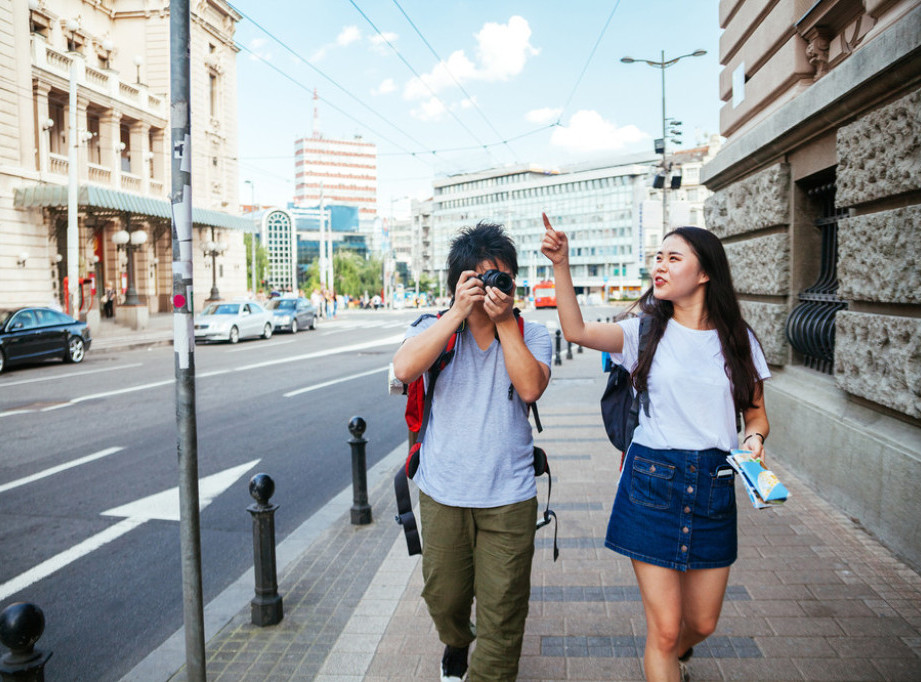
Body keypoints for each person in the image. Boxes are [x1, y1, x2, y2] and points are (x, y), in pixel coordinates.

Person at [541, 214, 770, 682]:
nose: (659, 266)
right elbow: (577, 331)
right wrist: (561, 266)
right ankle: (665, 659)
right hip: (651, 482)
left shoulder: (739, 341)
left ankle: (675, 655)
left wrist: (754, 440)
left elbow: (756, 414)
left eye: (673, 258)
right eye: (657, 258)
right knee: (663, 631)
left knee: (701, 624)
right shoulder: (641, 331)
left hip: (714, 487)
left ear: (704, 273)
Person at [392, 221, 552, 682]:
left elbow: (528, 388)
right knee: (444, 599)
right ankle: (457, 643)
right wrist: (457, 314)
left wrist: (503, 324)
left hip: (509, 495)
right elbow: (403, 368)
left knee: (503, 613)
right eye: (479, 279)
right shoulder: (432, 328)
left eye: (501, 278)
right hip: (443, 492)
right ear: (458, 283)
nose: (491, 289)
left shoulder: (530, 333)